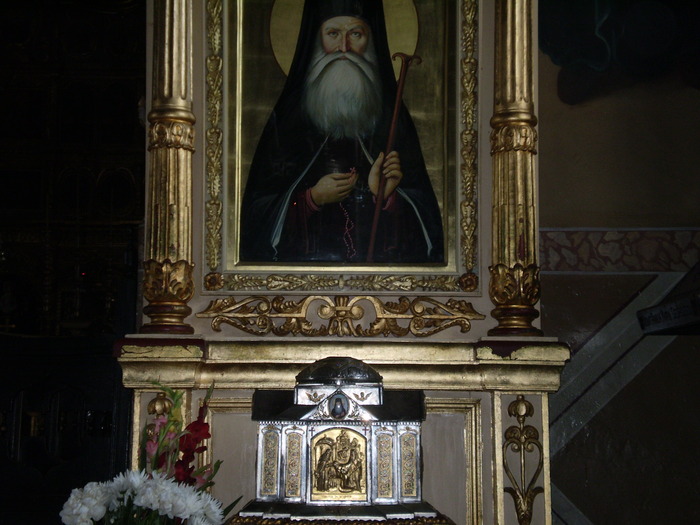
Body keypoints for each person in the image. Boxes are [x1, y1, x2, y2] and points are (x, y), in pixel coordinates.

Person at [240, 0, 444, 264]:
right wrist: (310, 199)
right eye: (333, 33)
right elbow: (254, 222)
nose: (344, 47)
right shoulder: (288, 122)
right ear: (316, 41)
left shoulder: (392, 120)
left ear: (371, 43)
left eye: (356, 34)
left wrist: (388, 197)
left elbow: (428, 229)